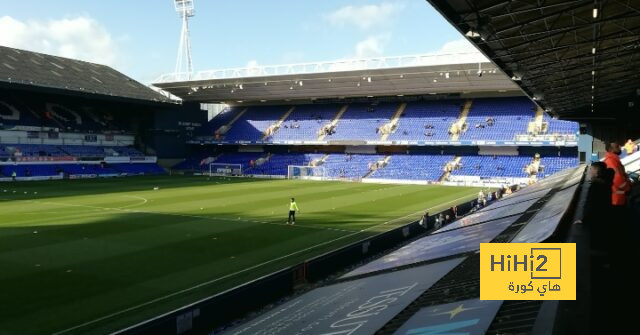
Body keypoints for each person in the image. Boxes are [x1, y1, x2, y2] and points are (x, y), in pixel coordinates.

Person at [603, 142, 631, 207]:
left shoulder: (614, 160)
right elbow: (617, 180)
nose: (620, 148)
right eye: (617, 146)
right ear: (610, 149)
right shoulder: (611, 161)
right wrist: (628, 188)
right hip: (617, 199)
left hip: (619, 197)